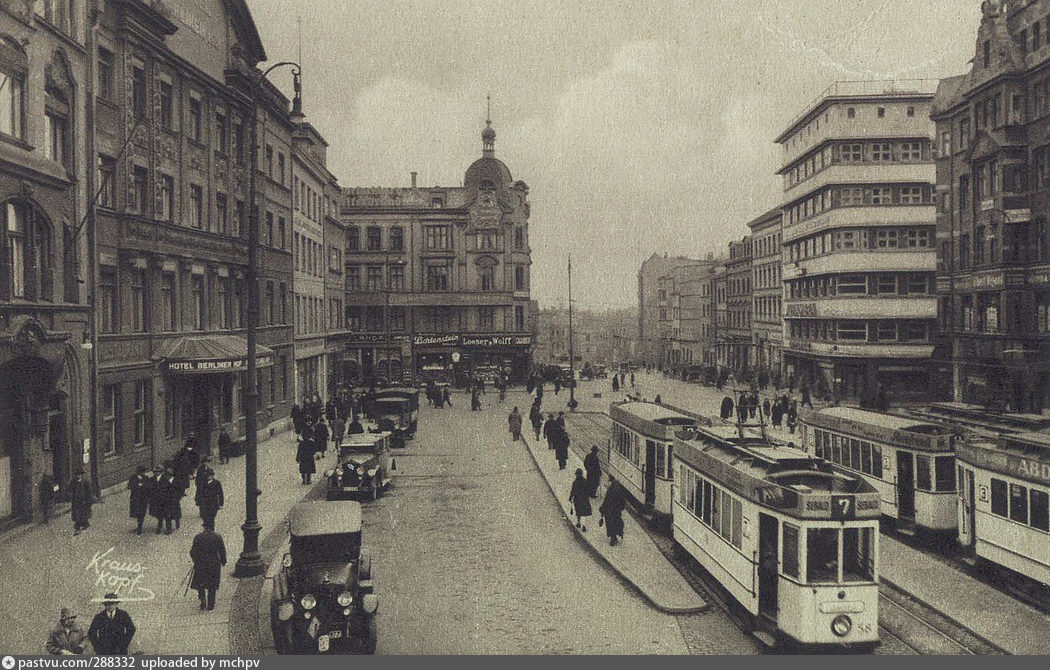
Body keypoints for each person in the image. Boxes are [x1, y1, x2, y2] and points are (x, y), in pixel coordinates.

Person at [190, 522, 227, 611]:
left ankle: (202, 601)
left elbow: (192, 552)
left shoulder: (198, 537)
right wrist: (223, 561)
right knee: (212, 585)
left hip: (201, 563)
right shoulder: (217, 537)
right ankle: (211, 604)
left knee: (201, 583)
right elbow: (222, 550)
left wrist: (196, 560)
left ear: (205, 527)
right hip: (214, 563)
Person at [599, 481, 626, 546]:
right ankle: (617, 536)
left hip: (609, 512)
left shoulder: (610, 492)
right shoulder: (620, 492)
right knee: (616, 523)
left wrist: (602, 509)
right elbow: (623, 503)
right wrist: (620, 508)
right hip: (616, 512)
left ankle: (612, 538)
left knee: (610, 524)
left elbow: (606, 501)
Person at [127, 465, 152, 536]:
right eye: (142, 471)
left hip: (143, 499)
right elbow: (129, 486)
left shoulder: (146, 478)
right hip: (135, 499)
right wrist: (138, 486)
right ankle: (139, 525)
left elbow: (149, 487)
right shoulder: (133, 478)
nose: (143, 473)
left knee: (142, 513)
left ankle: (140, 528)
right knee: (136, 513)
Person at [68, 468, 92, 536]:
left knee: (83, 513)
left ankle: (85, 524)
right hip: (76, 501)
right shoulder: (73, 482)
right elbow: (70, 489)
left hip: (84, 501)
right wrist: (71, 496)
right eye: (77, 475)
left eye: (80, 474)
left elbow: (89, 491)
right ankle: (77, 527)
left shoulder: (86, 482)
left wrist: (88, 500)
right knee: (77, 514)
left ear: (82, 475)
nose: (78, 476)